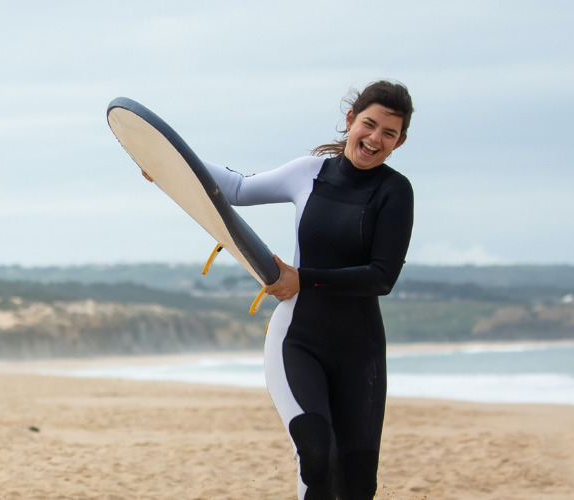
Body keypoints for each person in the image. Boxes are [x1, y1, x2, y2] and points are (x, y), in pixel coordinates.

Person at [156, 80, 415, 499]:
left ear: (399, 142)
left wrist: (303, 277)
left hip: (360, 352)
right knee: (316, 455)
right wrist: (171, 165)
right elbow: (237, 189)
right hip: (298, 338)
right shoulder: (309, 173)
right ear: (350, 120)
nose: (374, 139)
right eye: (369, 124)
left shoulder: (394, 191)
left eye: (389, 133)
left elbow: (381, 277)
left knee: (357, 484)